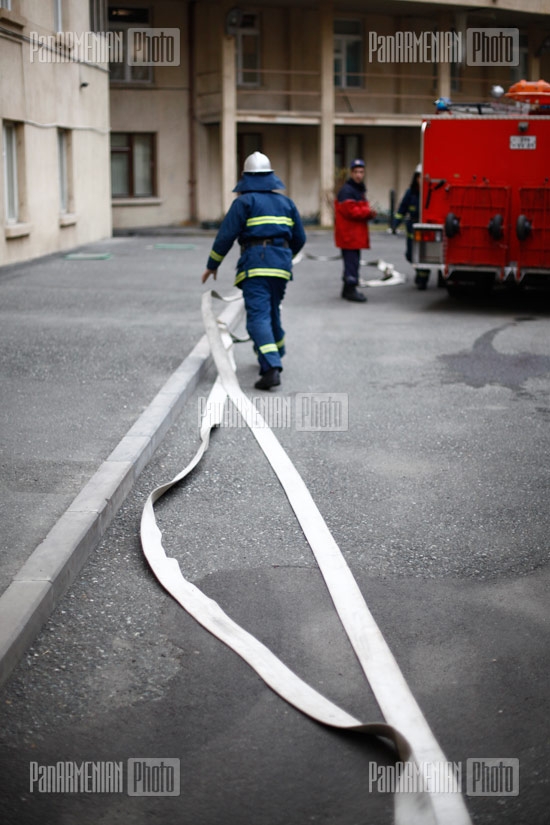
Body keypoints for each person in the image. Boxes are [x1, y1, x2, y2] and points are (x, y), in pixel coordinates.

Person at [201, 152, 306, 390]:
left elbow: (225, 236)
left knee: (257, 317)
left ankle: (271, 368)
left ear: (246, 178)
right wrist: (284, 256)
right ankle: (276, 351)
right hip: (280, 268)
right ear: (270, 178)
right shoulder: (287, 203)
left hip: (256, 265)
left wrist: (212, 265)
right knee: (272, 312)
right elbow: (300, 238)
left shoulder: (244, 203)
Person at [334, 158, 377, 303]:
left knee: (352, 262)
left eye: (361, 172)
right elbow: (351, 211)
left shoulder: (356, 189)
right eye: (356, 172)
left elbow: (358, 210)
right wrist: (368, 210)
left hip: (353, 235)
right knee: (352, 262)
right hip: (349, 235)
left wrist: (369, 212)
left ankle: (347, 289)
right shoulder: (348, 190)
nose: (359, 175)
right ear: (351, 173)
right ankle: (351, 289)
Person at [392, 165, 424, 287]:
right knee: (410, 255)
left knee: (424, 256)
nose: (420, 180)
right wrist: (395, 224)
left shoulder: (431, 192)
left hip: (425, 230)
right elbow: (402, 210)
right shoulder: (411, 193)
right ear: (416, 178)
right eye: (419, 177)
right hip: (412, 230)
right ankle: (420, 274)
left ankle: (422, 279)